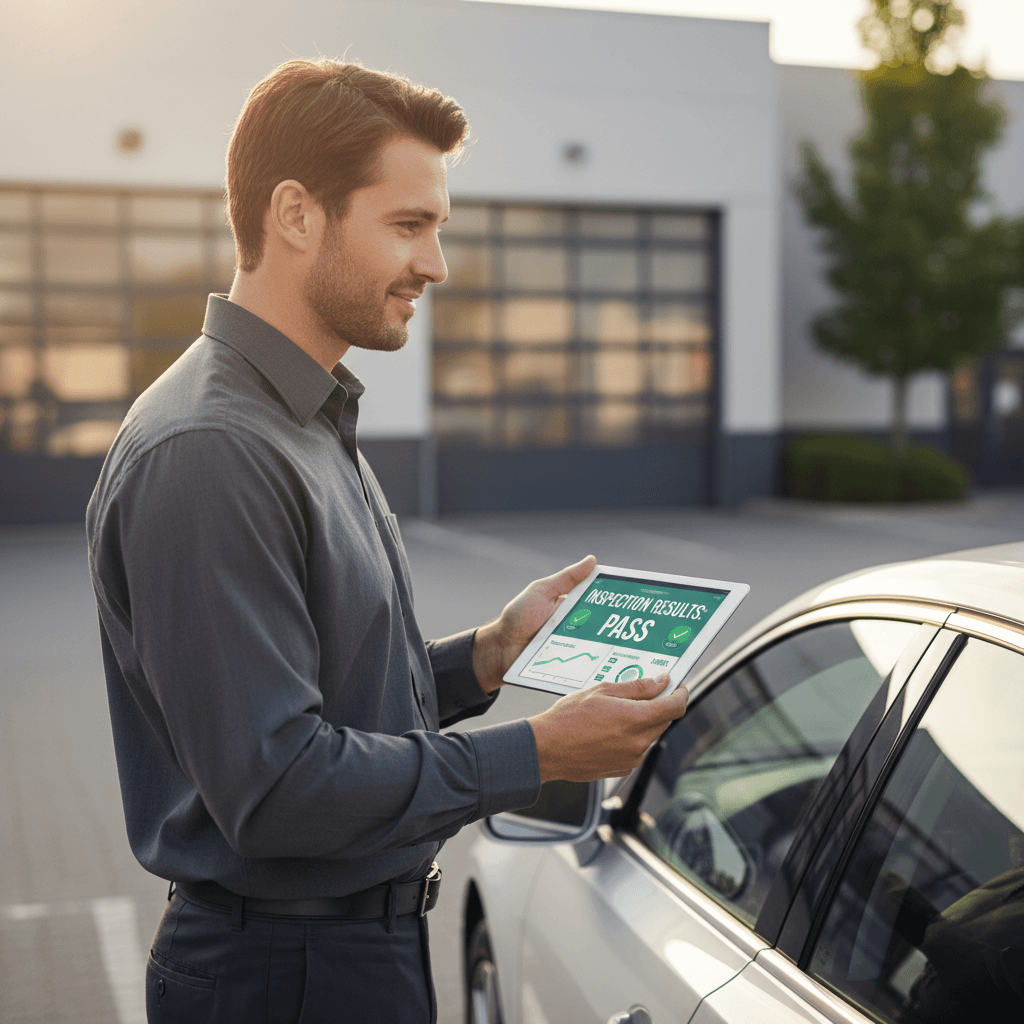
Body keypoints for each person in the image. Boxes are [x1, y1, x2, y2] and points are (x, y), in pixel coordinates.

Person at [86, 58, 690, 1024]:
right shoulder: (212, 450)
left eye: (436, 228)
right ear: (294, 215)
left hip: (343, 955)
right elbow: (279, 788)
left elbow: (328, 703)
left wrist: (487, 657)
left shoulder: (304, 417)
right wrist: (534, 753)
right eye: (408, 225)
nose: (436, 264)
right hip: (282, 975)